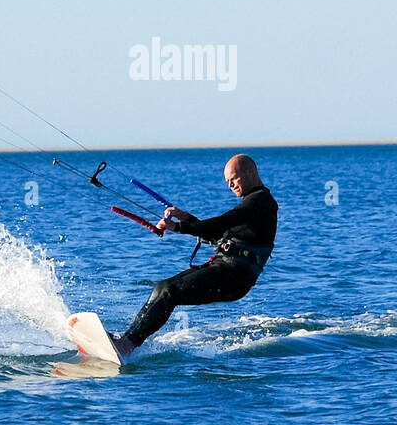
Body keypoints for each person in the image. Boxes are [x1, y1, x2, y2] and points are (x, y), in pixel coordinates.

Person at [108, 154, 278, 359]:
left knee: (170, 292)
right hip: (225, 268)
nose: (230, 185)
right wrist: (187, 218)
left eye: (234, 178)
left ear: (250, 172)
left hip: (236, 275)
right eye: (227, 182)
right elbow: (216, 234)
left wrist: (178, 226)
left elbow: (219, 223)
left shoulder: (261, 201)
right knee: (162, 287)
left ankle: (126, 345)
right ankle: (127, 339)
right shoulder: (252, 203)